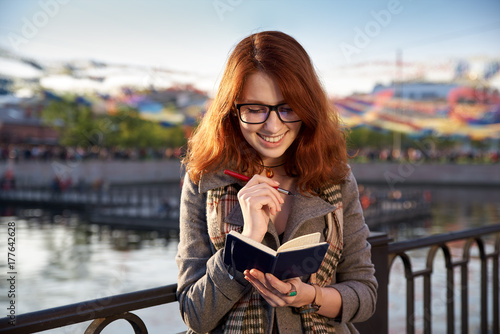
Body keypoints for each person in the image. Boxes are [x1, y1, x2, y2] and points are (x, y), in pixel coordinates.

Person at [176, 31, 377, 333]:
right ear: (232, 110)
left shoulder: (335, 177)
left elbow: (365, 294)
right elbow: (194, 314)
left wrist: (309, 295)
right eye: (255, 109)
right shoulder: (204, 181)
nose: (273, 126)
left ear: (308, 107)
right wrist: (247, 240)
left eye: (288, 108)